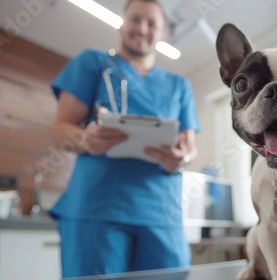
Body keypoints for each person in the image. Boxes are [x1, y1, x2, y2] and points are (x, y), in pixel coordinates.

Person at [49, 0, 201, 278]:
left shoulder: (180, 86)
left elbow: (189, 147)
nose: (142, 28)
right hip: (98, 207)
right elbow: (60, 131)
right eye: (135, 19)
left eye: (151, 23)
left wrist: (183, 158)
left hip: (161, 213)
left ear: (163, 33)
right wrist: (85, 139)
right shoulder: (92, 63)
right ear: (122, 24)